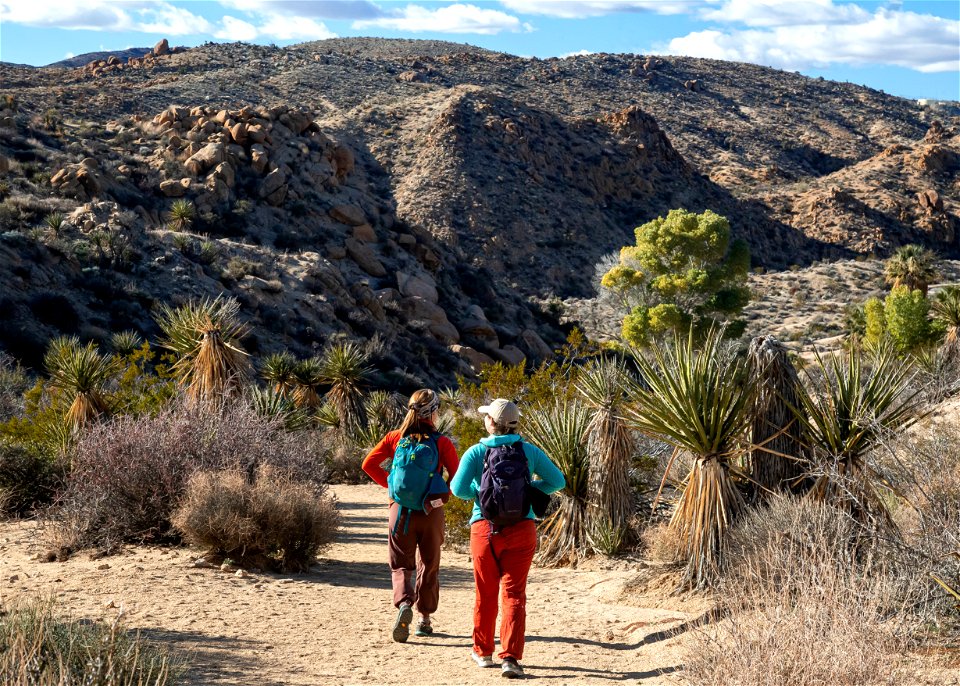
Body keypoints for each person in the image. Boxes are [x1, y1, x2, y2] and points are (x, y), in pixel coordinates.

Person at [450, 398, 565, 679]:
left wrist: (481, 493)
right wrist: (529, 489)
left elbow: (457, 490)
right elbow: (558, 482)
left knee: (486, 593)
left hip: (485, 529)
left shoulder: (476, 452)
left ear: (491, 422)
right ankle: (511, 657)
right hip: (522, 529)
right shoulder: (529, 451)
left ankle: (483, 651)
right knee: (514, 594)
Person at [361, 389, 459, 642]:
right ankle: (424, 619)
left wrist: (392, 487)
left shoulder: (395, 438)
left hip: (400, 511)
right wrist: (442, 494)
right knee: (429, 565)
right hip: (431, 511)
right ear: (434, 412)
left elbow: (368, 465)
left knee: (401, 564)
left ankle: (404, 604)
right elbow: (457, 478)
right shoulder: (442, 442)